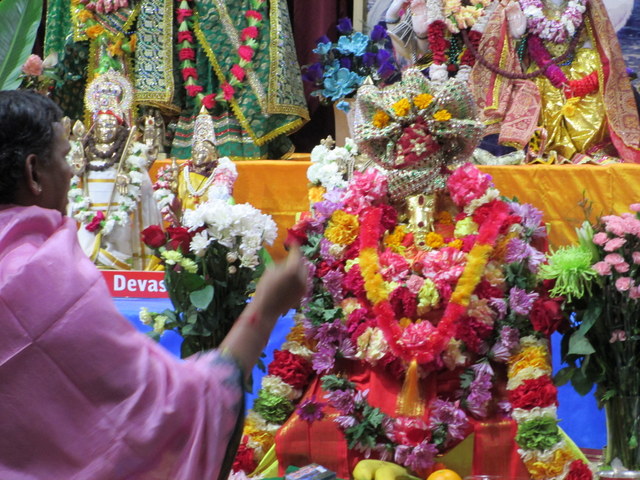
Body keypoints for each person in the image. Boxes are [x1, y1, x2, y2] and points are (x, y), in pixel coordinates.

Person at [0, 90, 308, 479]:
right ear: (33, 173)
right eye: (64, 157)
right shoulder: (48, 279)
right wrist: (265, 308)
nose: (73, 170)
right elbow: (167, 413)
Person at [69, 70, 163, 270]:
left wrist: (127, 178)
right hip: (89, 212)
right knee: (85, 253)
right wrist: (77, 169)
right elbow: (74, 183)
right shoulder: (85, 150)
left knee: (119, 246)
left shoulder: (129, 153)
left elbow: (142, 180)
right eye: (102, 125)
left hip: (118, 211)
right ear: (95, 127)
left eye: (110, 125)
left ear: (119, 128)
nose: (106, 130)